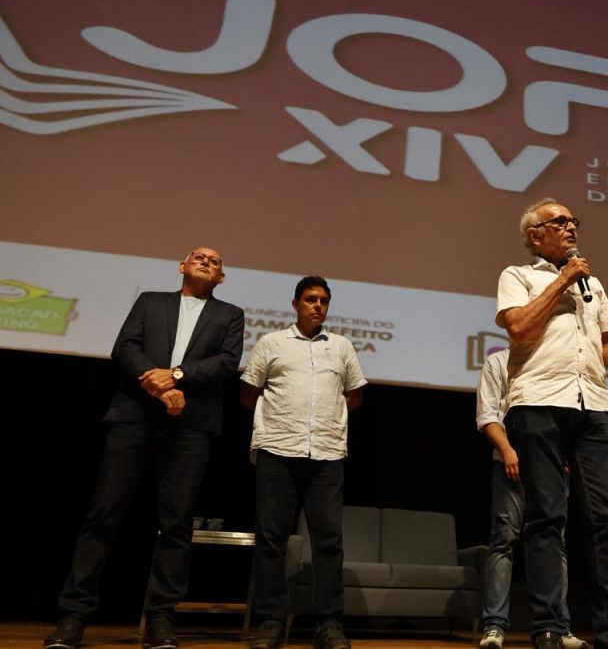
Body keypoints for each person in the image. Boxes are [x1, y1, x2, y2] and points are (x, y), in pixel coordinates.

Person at [43, 248, 245, 649]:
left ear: (221, 278)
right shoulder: (151, 301)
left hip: (191, 426)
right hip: (134, 417)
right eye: (199, 256)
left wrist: (177, 376)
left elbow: (226, 362)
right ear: (182, 266)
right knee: (104, 514)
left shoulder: (230, 315)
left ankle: (161, 618)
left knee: (177, 522)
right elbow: (125, 347)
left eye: (215, 261)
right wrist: (158, 388)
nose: (207, 261)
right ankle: (74, 615)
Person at [496, 198, 608, 649]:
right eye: (559, 221)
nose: (570, 227)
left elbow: (607, 356)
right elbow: (519, 329)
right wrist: (563, 279)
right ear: (534, 234)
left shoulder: (592, 284)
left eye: (573, 221)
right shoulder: (517, 276)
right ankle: (548, 626)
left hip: (596, 405)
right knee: (546, 517)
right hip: (539, 401)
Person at [240, 276, 367, 649]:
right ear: (295, 304)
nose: (318, 306)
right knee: (272, 539)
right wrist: (283, 419)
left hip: (326, 452)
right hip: (277, 448)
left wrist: (324, 421)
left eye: (324, 300)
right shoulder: (272, 343)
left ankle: (328, 624)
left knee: (329, 541)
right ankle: (270, 622)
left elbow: (355, 395)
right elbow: (249, 392)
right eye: (311, 299)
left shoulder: (341, 346)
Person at [476, 347, 586, 649]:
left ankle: (559, 626)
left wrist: (565, 455)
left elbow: (567, 416)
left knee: (555, 543)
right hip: (510, 463)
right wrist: (508, 450)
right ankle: (494, 626)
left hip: (552, 467)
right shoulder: (498, 361)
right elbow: (487, 414)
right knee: (504, 541)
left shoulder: (555, 357)